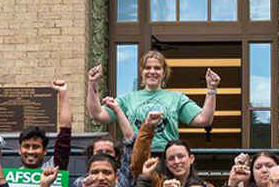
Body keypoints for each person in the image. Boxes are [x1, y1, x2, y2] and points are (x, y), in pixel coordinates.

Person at [87, 51, 219, 153]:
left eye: (157, 68)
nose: (152, 71)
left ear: (164, 72)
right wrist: (93, 82)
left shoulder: (177, 98)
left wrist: (212, 89)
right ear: (142, 72)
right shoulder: (128, 98)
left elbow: (204, 119)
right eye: (147, 68)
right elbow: (97, 115)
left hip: (167, 159)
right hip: (136, 157)